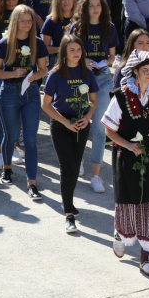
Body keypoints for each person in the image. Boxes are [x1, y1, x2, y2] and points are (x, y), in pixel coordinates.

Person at [102, 49, 149, 276]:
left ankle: (145, 258)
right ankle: (120, 232)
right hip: (127, 159)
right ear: (135, 71)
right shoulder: (121, 96)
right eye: (146, 71)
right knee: (127, 202)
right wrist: (129, 145)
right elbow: (109, 131)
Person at [41, 34, 98, 233]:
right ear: (64, 52)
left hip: (81, 123)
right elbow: (46, 105)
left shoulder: (87, 73)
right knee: (67, 168)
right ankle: (69, 215)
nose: (76, 53)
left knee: (75, 167)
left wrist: (88, 116)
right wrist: (65, 122)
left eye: (78, 50)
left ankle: (69, 203)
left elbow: (93, 101)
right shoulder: (55, 74)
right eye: (71, 50)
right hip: (61, 124)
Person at [113, 28, 149, 214]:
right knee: (131, 192)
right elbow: (111, 124)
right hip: (131, 143)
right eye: (140, 43)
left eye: (147, 43)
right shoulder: (122, 84)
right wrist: (127, 144)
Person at [69, 0, 119, 192]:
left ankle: (96, 176)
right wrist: (84, 61)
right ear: (85, 8)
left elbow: (113, 57)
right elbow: (69, 54)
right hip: (80, 78)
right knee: (80, 123)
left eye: (99, 5)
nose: (96, 8)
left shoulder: (110, 27)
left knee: (99, 129)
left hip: (103, 78)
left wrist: (103, 62)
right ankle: (78, 160)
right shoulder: (77, 27)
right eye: (91, 5)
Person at [0, 5, 48, 193]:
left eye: (30, 21)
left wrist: (35, 75)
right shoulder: (5, 43)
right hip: (9, 91)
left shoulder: (38, 43)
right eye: (23, 20)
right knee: (10, 135)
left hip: (30, 93)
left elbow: (43, 69)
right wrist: (13, 73)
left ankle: (31, 182)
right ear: (16, 21)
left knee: (30, 138)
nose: (27, 24)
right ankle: (7, 168)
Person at [0, 0, 27, 170]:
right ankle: (0, 152)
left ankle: (13, 148)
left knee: (15, 112)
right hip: (1, 69)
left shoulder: (23, 14)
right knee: (1, 111)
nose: (11, 3)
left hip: (20, 69)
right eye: (7, 0)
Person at [41, 0, 76, 71]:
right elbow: (45, 48)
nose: (66, 1)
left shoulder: (80, 19)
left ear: (74, 0)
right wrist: (64, 49)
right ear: (57, 1)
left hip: (78, 59)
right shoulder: (50, 21)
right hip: (57, 61)